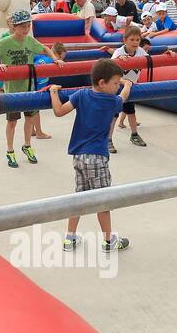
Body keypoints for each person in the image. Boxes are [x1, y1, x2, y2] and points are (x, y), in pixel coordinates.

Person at [48, 58, 132, 253]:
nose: (117, 87)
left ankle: (70, 238)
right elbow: (124, 97)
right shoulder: (112, 100)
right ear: (102, 83)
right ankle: (109, 241)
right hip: (97, 157)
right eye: (115, 83)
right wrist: (128, 85)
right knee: (103, 200)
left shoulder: (81, 94)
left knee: (79, 197)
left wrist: (53, 92)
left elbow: (59, 111)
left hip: (78, 156)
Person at [0, 9, 48, 168]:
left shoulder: (30, 40)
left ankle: (27, 146)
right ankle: (10, 150)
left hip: (29, 87)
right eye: (23, 26)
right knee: (12, 122)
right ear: (14, 27)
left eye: (28, 26)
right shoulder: (6, 41)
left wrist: (56, 60)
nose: (26, 29)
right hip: (13, 90)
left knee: (29, 119)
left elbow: (45, 49)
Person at [110, 24, 147, 146]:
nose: (135, 42)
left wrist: (168, 54)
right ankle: (108, 139)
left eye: (137, 40)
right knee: (114, 114)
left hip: (130, 88)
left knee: (131, 112)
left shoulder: (141, 52)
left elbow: (153, 60)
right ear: (124, 40)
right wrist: (118, 60)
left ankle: (134, 135)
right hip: (117, 88)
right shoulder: (119, 52)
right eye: (132, 40)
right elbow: (109, 68)